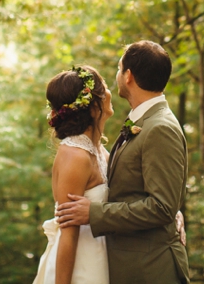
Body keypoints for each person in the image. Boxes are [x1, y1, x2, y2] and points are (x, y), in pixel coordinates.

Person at [56, 41, 191, 284]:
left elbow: (161, 206)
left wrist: (94, 213)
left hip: (150, 270)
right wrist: (172, 211)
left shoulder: (159, 128)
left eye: (119, 69)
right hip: (126, 266)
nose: (116, 76)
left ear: (128, 76)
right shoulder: (143, 122)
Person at [33, 65, 112, 284]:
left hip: (100, 260)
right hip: (79, 269)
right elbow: (68, 233)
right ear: (94, 107)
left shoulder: (99, 151)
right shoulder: (74, 155)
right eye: (103, 87)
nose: (108, 92)